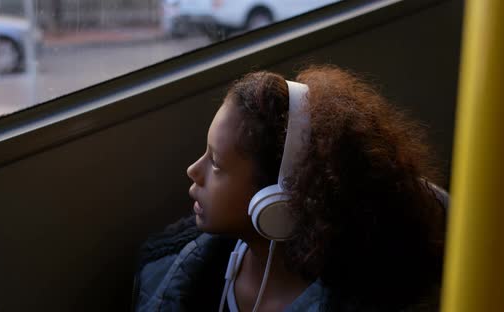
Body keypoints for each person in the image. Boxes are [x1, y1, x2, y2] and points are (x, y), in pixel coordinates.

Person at [132, 65, 447, 312]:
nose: (193, 171)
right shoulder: (168, 266)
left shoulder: (367, 300)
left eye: (216, 163)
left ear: (277, 198)